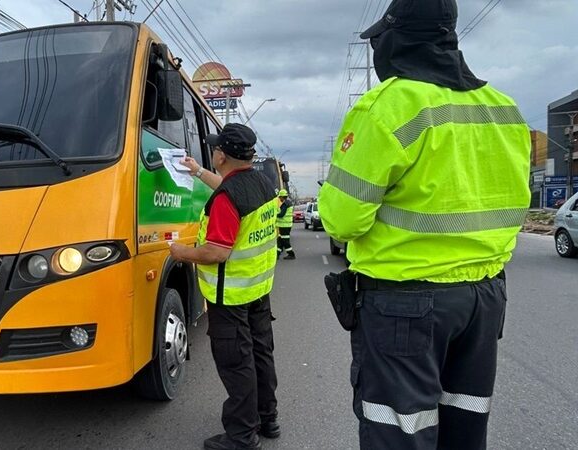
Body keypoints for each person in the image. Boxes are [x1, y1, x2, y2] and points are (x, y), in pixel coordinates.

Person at [317, 0, 531, 449]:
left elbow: (341, 220)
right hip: (484, 299)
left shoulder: (388, 106)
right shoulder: (504, 110)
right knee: (465, 426)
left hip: (406, 303)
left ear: (398, 38)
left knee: (400, 432)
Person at [171, 123, 280, 450]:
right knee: (260, 355)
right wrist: (197, 171)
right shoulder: (261, 183)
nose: (213, 151)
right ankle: (268, 418)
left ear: (222, 156)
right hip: (258, 291)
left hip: (230, 296)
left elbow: (217, 252)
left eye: (216, 148)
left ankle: (242, 435)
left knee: (237, 365)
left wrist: (181, 252)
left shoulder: (226, 199)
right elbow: (230, 188)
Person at [275, 189, 296, 260]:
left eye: (280, 197)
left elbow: (281, 215)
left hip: (284, 226)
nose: (279, 199)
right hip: (285, 225)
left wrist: (275, 215)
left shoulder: (285, 204)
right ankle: (277, 254)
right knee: (280, 240)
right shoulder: (288, 203)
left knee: (285, 241)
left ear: (282, 197)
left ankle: (291, 254)